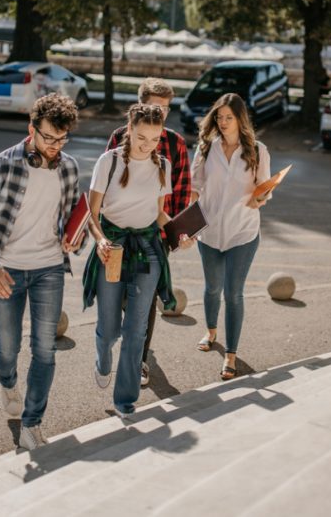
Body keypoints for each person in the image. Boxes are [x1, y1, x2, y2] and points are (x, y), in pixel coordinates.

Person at [0, 93, 83, 451]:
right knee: (8, 348)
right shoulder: (3, 165)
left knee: (45, 350)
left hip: (49, 268)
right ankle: (8, 381)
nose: (54, 146)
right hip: (7, 270)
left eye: (62, 139)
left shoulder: (69, 167)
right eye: (48, 138)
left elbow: (72, 219)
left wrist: (74, 241)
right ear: (32, 129)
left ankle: (32, 424)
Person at [84, 103, 193, 418]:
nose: (148, 145)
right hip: (113, 248)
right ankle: (103, 358)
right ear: (128, 130)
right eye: (142, 137)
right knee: (108, 327)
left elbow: (159, 214)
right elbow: (91, 214)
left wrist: (178, 234)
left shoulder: (163, 165)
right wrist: (101, 239)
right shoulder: (109, 161)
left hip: (147, 249)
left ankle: (125, 400)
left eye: (155, 139)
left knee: (136, 329)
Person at [106, 78, 191, 387]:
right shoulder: (118, 137)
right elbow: (106, 185)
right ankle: (124, 339)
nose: (163, 113)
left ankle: (139, 358)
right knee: (120, 295)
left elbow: (181, 191)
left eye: (167, 108)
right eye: (156, 107)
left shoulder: (176, 143)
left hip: (156, 233)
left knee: (147, 296)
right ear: (140, 106)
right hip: (119, 232)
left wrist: (176, 233)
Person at [190, 93, 271, 380]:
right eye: (219, 117)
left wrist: (260, 199)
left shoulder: (258, 150)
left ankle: (231, 354)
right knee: (212, 288)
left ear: (240, 119)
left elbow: (265, 188)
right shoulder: (205, 148)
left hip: (243, 232)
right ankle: (211, 331)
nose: (223, 123)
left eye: (229, 118)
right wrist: (186, 219)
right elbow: (195, 186)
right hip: (209, 232)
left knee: (233, 293)